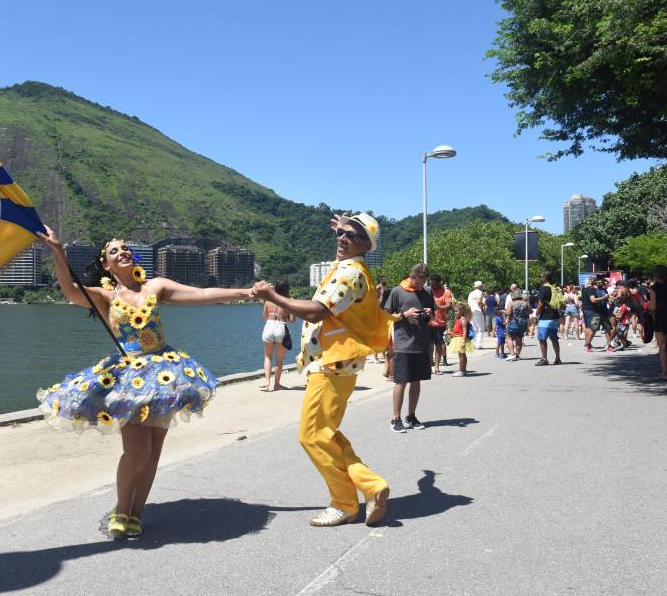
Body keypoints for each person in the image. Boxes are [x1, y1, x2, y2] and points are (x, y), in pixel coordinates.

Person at [36, 228, 253, 539]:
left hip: (164, 373)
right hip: (129, 377)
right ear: (107, 266)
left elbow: (201, 294)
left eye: (125, 248)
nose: (122, 252)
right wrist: (58, 251)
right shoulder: (105, 296)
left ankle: (136, 514)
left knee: (152, 453)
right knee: (137, 451)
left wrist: (245, 293)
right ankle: (121, 509)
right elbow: (70, 290)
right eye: (114, 251)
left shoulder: (156, 287)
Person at [253, 213, 402, 527]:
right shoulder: (353, 266)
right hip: (337, 362)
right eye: (341, 233)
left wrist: (272, 296)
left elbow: (318, 311)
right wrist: (347, 232)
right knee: (324, 433)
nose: (342, 238)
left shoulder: (349, 272)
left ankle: (346, 503)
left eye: (351, 236)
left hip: (332, 363)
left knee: (312, 436)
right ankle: (371, 488)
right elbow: (346, 254)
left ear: (366, 245)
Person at [384, 263, 436, 432]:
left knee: (416, 381)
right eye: (418, 283)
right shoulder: (397, 291)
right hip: (403, 344)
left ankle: (411, 416)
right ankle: (395, 419)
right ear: (411, 276)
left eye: (423, 283)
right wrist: (404, 315)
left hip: (421, 343)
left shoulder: (427, 292)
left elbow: (433, 315)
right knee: (401, 381)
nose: (420, 286)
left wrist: (428, 314)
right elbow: (386, 316)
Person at [261, 281, 295, 391]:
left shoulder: (268, 301)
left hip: (269, 326)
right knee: (279, 360)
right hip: (281, 326)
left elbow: (264, 316)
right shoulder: (288, 301)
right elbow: (292, 320)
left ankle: (266, 381)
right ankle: (277, 385)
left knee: (267, 356)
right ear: (287, 290)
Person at [534, 271, 563, 366]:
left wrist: (536, 315)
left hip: (545, 318)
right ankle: (558, 358)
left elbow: (540, 304)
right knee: (554, 339)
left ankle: (544, 359)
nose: (540, 279)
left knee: (542, 339)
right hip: (554, 317)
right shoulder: (554, 288)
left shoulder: (544, 288)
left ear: (545, 278)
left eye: (541, 277)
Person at [429, 274, 453, 375]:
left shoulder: (446, 292)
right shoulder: (427, 290)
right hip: (427, 323)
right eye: (431, 284)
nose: (432, 286)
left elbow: (449, 305)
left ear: (439, 282)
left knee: (438, 344)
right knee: (428, 346)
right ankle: (429, 366)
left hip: (440, 323)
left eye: (434, 284)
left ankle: (437, 367)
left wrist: (437, 307)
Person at [582, 276, 611, 353]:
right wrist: (604, 298)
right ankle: (587, 344)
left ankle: (609, 345)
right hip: (596, 312)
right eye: (599, 281)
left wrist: (609, 299)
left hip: (604, 311)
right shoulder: (592, 289)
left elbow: (607, 298)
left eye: (602, 281)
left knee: (607, 328)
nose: (601, 283)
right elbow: (593, 300)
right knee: (593, 328)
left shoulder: (604, 290)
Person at [448, 302, 475, 375]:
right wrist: (449, 333)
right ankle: (463, 370)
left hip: (460, 339)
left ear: (462, 311)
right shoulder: (457, 319)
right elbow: (457, 331)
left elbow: (464, 331)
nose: (455, 313)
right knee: (461, 355)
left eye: (456, 311)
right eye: (455, 311)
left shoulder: (463, 319)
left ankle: (461, 371)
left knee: (461, 355)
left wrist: (463, 341)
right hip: (457, 338)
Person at [505, 289, 531, 361]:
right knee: (519, 338)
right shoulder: (525, 303)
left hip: (513, 322)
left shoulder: (511, 303)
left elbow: (508, 313)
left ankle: (512, 354)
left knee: (509, 337)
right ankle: (517, 355)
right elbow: (530, 312)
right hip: (523, 322)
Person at [467, 280, 486, 349]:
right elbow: (478, 302)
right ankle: (478, 344)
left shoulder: (471, 293)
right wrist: (483, 305)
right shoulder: (480, 292)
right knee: (481, 328)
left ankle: (473, 343)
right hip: (477, 310)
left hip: (471, 311)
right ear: (480, 286)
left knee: (474, 328)